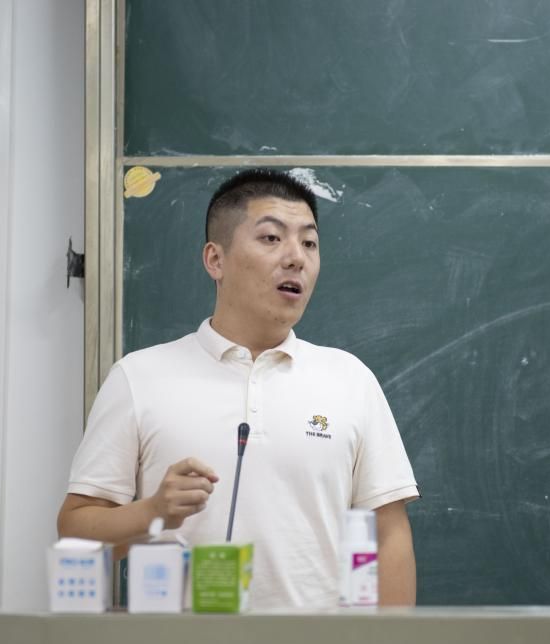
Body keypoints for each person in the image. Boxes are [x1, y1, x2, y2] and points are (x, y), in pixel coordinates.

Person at [57, 169, 419, 609]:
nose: (296, 258)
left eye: (309, 243)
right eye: (271, 238)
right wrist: (152, 512)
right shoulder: (139, 377)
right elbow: (75, 531)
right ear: (216, 260)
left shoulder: (350, 379)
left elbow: (388, 533)